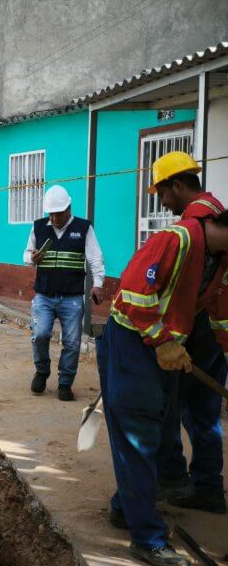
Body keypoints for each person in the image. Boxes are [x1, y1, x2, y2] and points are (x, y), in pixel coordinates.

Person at [97, 210, 228, 566]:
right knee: (138, 434)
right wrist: (161, 341)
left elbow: (220, 316)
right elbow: (133, 295)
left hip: (165, 347)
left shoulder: (220, 259)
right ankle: (147, 539)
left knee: (154, 433)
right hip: (133, 343)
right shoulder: (178, 239)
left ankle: (126, 508)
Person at [148, 151, 227, 514]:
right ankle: (208, 488)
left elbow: (185, 288)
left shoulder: (194, 225)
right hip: (214, 334)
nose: (163, 202)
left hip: (198, 333)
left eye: (163, 193)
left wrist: (164, 337)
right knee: (204, 415)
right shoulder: (216, 214)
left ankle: (173, 479)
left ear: (178, 185)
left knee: (168, 407)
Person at [23, 185, 105, 401]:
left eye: (59, 213)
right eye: (51, 213)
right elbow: (25, 253)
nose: (55, 218)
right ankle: (42, 371)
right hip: (44, 295)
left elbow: (95, 259)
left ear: (69, 207)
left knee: (72, 341)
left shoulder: (83, 228)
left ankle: (65, 383)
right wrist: (32, 258)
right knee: (39, 334)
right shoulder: (39, 227)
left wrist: (98, 284)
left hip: (72, 298)